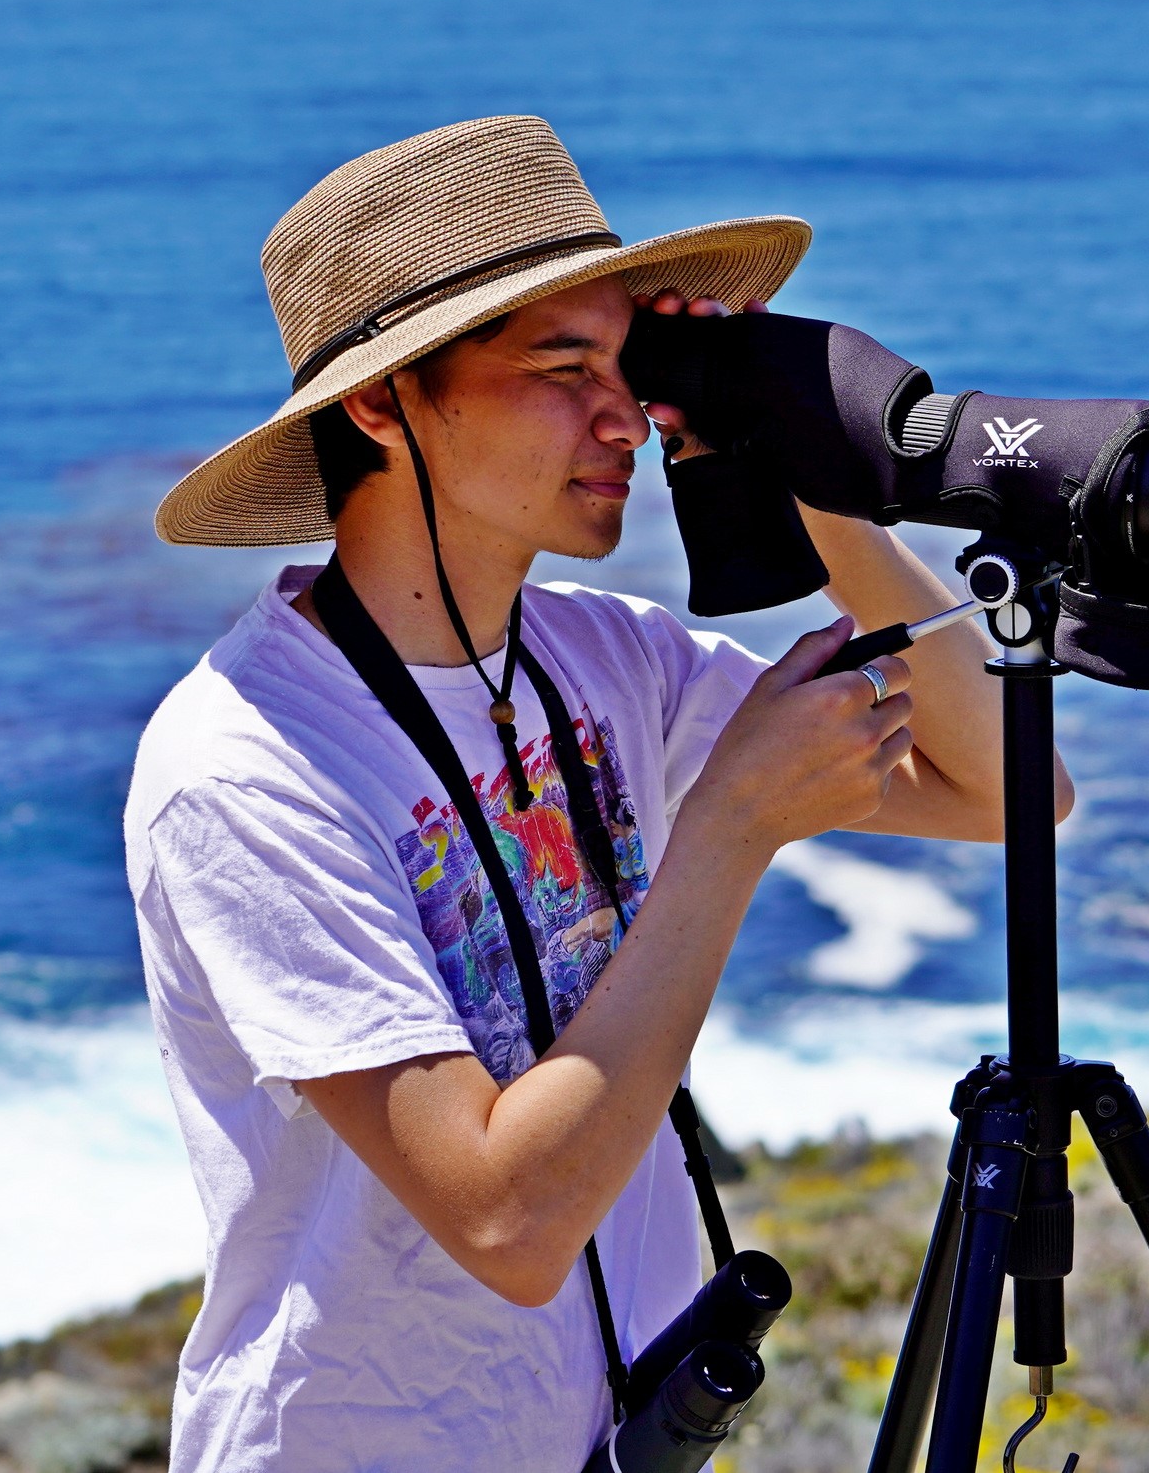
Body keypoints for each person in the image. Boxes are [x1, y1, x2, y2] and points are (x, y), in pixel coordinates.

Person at [124, 115, 1071, 1472]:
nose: (621, 418)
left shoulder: (602, 660)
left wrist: (813, 483)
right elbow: (506, 1221)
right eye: (564, 369)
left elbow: (1008, 784)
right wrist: (733, 825)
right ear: (382, 402)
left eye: (631, 369)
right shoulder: (247, 767)